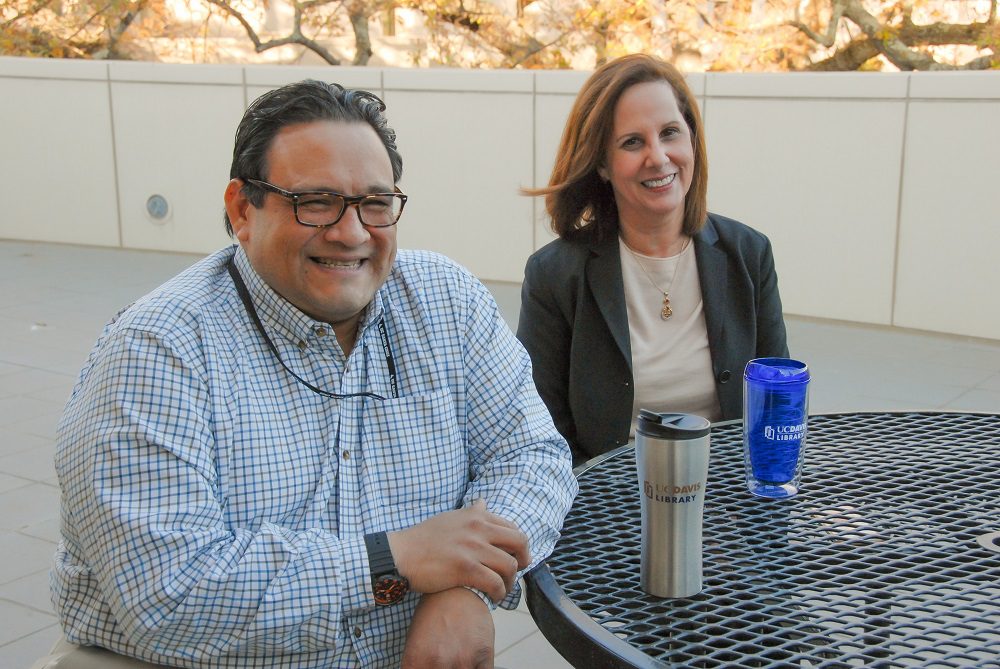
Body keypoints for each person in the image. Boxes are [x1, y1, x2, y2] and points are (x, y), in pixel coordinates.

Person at [46, 80, 577, 669]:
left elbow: (531, 456)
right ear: (242, 210)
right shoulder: (159, 350)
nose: (351, 232)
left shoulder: (446, 301)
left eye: (375, 202)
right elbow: (168, 596)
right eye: (316, 201)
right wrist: (392, 562)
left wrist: (464, 585)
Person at [517, 54, 788, 466]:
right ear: (603, 164)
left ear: (692, 141)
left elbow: (778, 405)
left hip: (729, 496)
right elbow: (539, 428)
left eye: (670, 133)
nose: (658, 157)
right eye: (632, 142)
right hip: (609, 501)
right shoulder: (555, 275)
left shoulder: (749, 254)